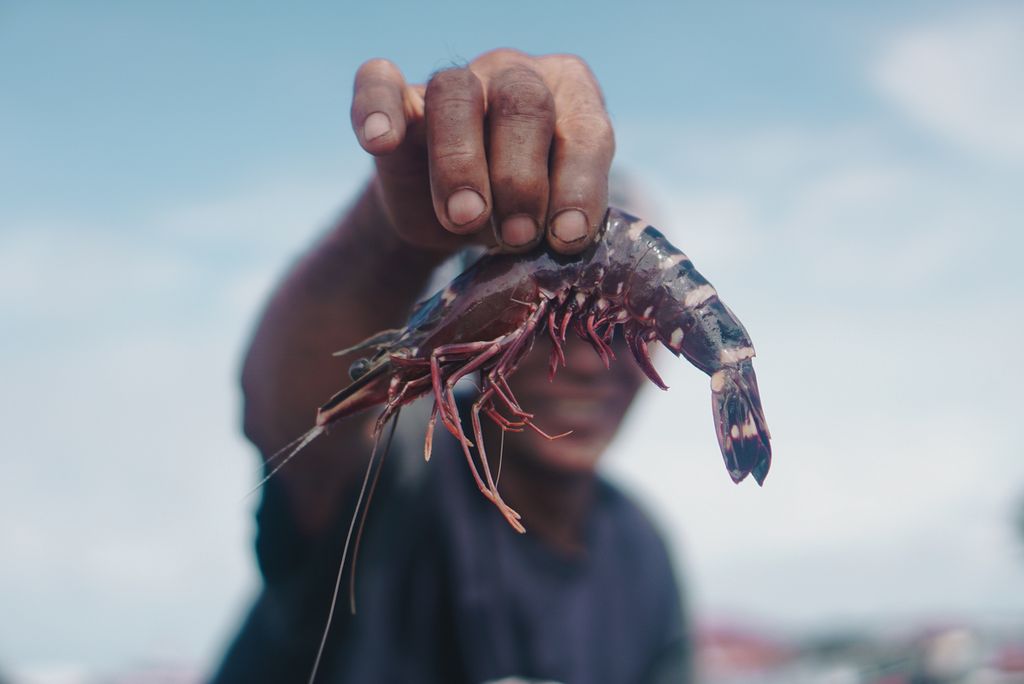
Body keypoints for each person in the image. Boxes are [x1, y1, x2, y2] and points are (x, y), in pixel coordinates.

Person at [213, 49, 691, 684]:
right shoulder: (399, 469)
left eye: (614, 329)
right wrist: (392, 237)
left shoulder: (642, 552)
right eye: (548, 324)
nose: (581, 361)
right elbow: (289, 407)